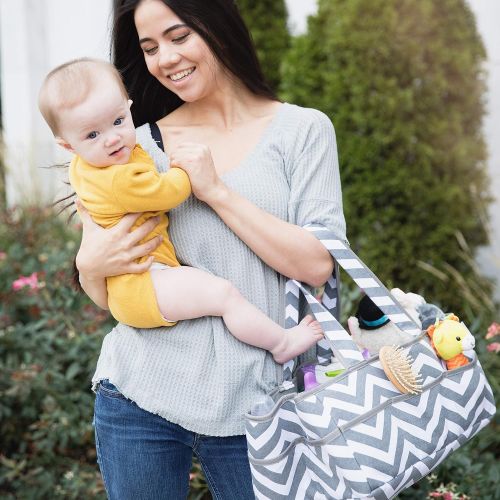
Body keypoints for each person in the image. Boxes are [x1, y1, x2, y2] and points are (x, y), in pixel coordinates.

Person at [74, 0, 347, 498]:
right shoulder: (130, 147)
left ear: (217, 26)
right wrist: (89, 266)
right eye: (150, 48)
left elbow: (316, 264)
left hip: (260, 404)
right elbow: (114, 292)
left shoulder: (303, 130)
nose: (165, 59)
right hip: (141, 396)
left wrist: (216, 191)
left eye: (179, 37)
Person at [38, 57, 324, 364]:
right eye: (92, 135)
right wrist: (188, 173)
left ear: (128, 107)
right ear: (67, 146)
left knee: (219, 294)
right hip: (145, 284)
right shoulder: (118, 176)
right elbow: (166, 193)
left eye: (119, 121)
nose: (112, 138)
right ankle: (281, 343)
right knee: (223, 296)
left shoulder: (88, 165)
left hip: (136, 285)